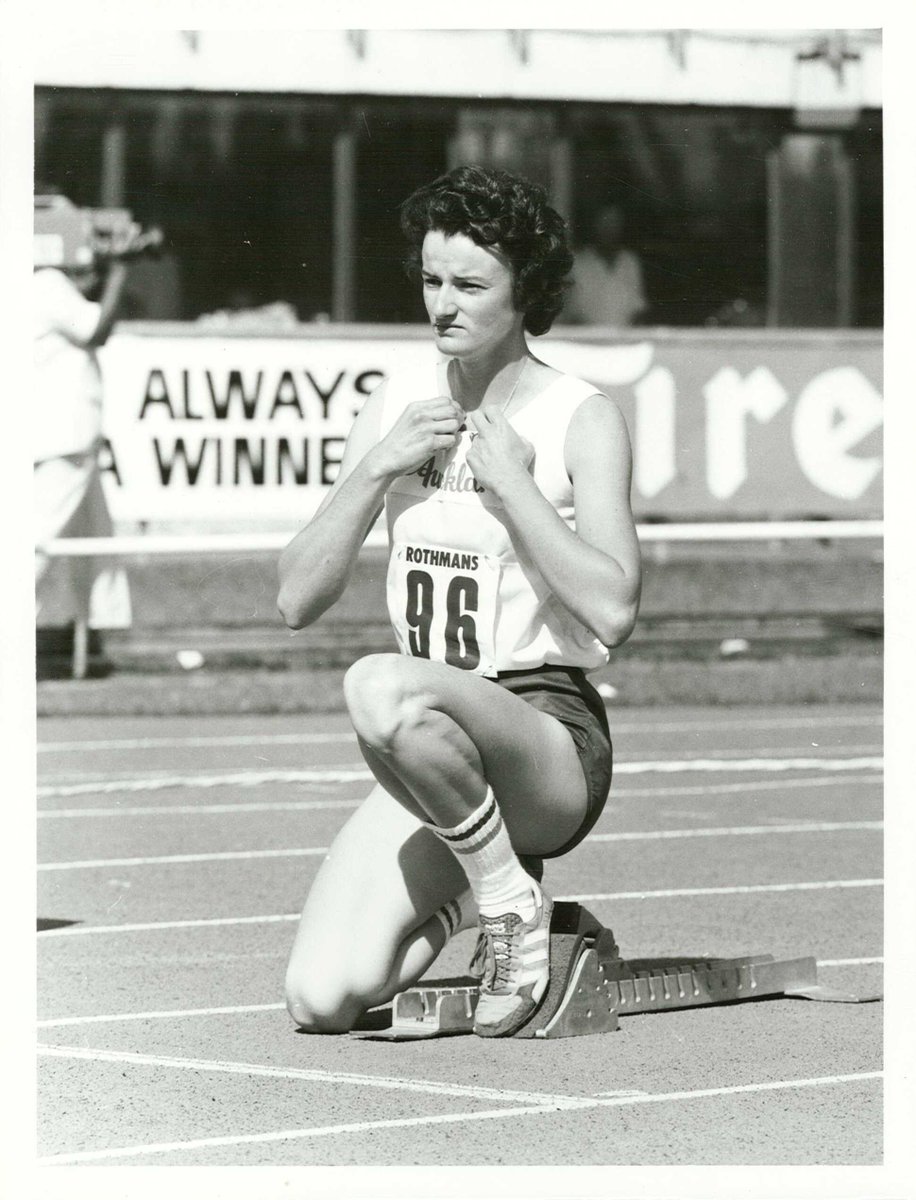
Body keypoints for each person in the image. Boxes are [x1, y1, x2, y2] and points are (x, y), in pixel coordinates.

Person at [279, 165, 641, 1038]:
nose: (443, 304)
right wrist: (376, 468)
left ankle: (508, 899)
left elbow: (615, 610)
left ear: (527, 293)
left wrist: (514, 484)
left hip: (542, 738)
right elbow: (296, 598)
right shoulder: (395, 409)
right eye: (433, 281)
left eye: (470, 285)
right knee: (323, 998)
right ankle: (496, 899)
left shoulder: (578, 417)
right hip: (430, 751)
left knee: (378, 684)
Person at [33, 222, 139, 662]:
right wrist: (119, 270)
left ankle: (93, 641)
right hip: (64, 438)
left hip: (66, 437)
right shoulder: (47, 283)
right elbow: (95, 327)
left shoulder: (43, 285)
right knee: (37, 543)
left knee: (95, 546)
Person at [561, 203, 647, 327]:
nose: (609, 229)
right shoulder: (578, 263)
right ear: (594, 225)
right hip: (585, 341)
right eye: (605, 223)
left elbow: (637, 308)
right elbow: (570, 313)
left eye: (614, 223)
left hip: (624, 341)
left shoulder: (630, 262)